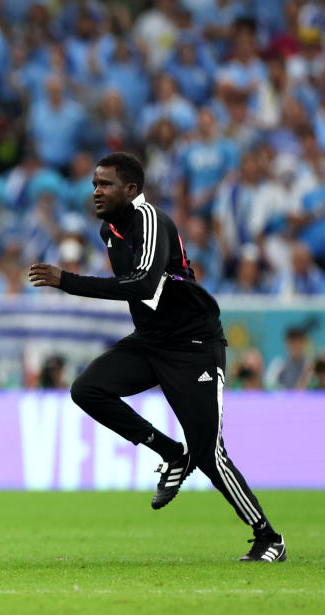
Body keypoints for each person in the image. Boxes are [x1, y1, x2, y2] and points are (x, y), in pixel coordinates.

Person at [28, 151, 285, 562]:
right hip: (151, 341)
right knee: (87, 389)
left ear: (131, 190)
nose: (96, 191)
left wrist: (67, 281)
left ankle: (268, 537)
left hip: (193, 347)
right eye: (94, 184)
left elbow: (145, 285)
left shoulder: (151, 220)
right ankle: (170, 453)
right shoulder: (110, 230)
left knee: (209, 454)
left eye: (105, 184)